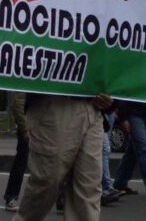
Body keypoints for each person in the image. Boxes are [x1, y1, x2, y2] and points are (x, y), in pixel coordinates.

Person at [11, 93, 113, 221]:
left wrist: (112, 99)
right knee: (48, 180)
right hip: (55, 103)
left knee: (88, 187)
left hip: (94, 107)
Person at [2, 92, 28, 212]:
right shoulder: (24, 82)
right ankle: (11, 196)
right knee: (21, 162)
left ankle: (60, 198)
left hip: (46, 125)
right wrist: (24, 127)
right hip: (30, 127)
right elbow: (17, 103)